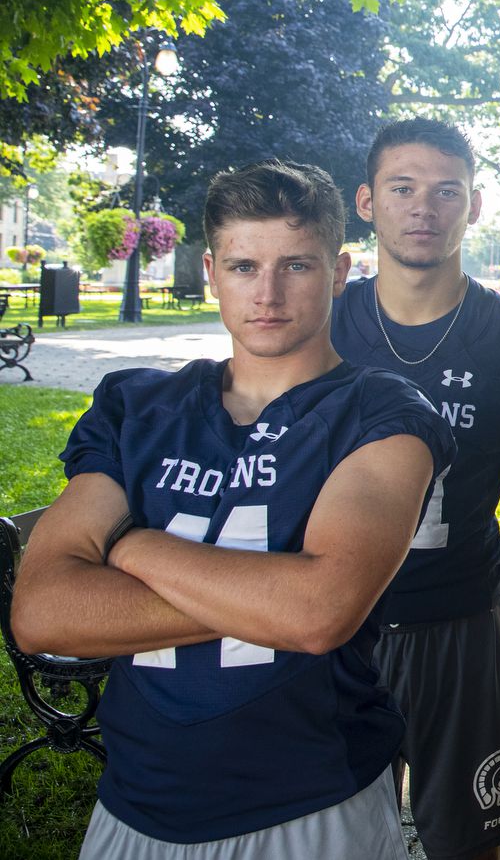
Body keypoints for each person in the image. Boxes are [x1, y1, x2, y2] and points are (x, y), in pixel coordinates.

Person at [12, 160, 454, 858]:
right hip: (136, 800)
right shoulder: (138, 406)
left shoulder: (381, 412)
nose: (268, 292)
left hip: (311, 798)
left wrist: (129, 547)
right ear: (213, 271)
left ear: (340, 271)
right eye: (245, 266)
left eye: (297, 265)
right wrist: (276, 589)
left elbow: (319, 612)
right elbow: (42, 611)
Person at [333, 119, 500, 859]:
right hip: (329, 622)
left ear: (476, 204)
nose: (422, 207)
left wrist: (485, 593)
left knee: (478, 841)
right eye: (402, 187)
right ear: (368, 200)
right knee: (321, 828)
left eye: (445, 190)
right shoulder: (322, 329)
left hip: (458, 623)